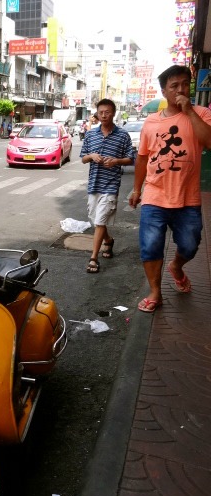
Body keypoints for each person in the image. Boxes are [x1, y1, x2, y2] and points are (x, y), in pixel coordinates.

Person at [129, 64, 211, 313]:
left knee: (190, 244)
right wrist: (136, 189)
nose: (180, 89)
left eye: (185, 84)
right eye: (174, 86)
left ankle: (176, 266)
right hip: (154, 195)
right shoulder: (151, 122)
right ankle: (155, 292)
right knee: (150, 245)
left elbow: (208, 141)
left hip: (187, 198)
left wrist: (189, 111)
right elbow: (143, 157)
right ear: (164, 91)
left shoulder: (202, 113)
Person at [80, 98, 134, 273]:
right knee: (96, 220)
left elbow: (131, 158)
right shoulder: (90, 135)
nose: (103, 115)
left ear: (113, 113)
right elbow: (83, 158)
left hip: (111, 185)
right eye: (100, 112)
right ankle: (108, 241)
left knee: (100, 220)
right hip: (94, 184)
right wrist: (92, 156)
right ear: (97, 113)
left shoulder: (122, 135)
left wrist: (117, 161)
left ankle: (93, 258)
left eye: (107, 112)